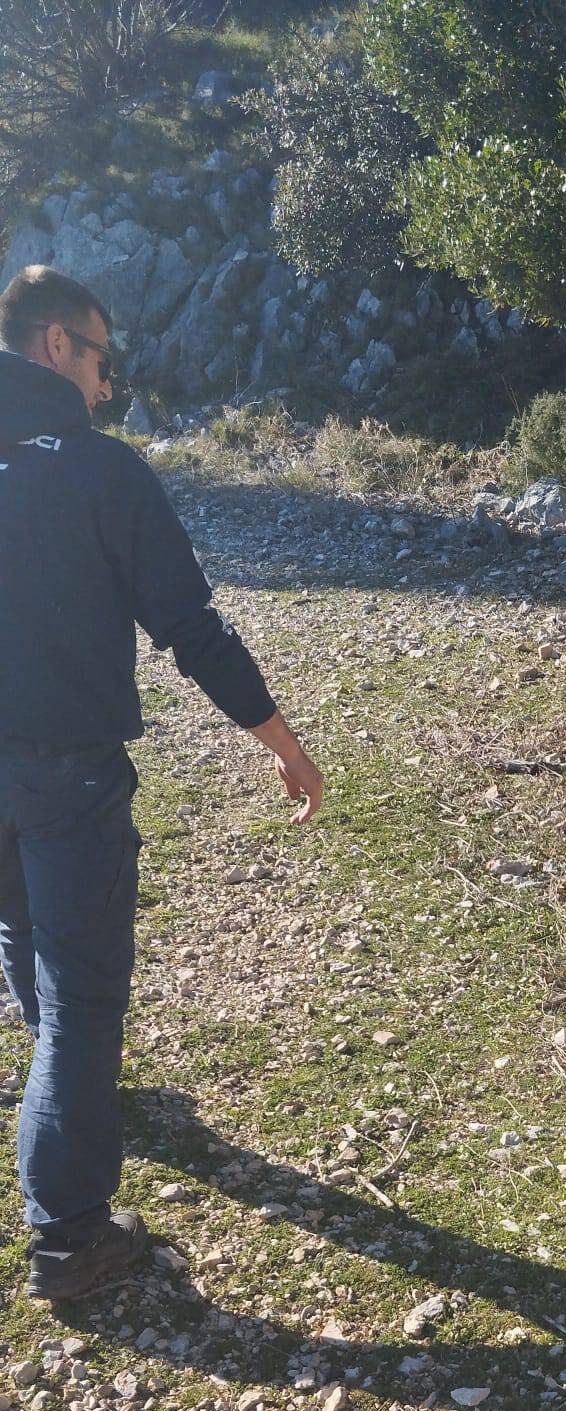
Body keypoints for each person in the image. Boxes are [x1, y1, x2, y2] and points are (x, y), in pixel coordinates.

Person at [0, 264, 324, 1303]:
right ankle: (71, 1238)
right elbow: (188, 627)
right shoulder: (102, 472)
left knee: (23, 942)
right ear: (55, 347)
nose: (106, 379)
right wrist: (279, 738)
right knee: (86, 997)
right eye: (101, 356)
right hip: (65, 773)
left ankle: (67, 1094)